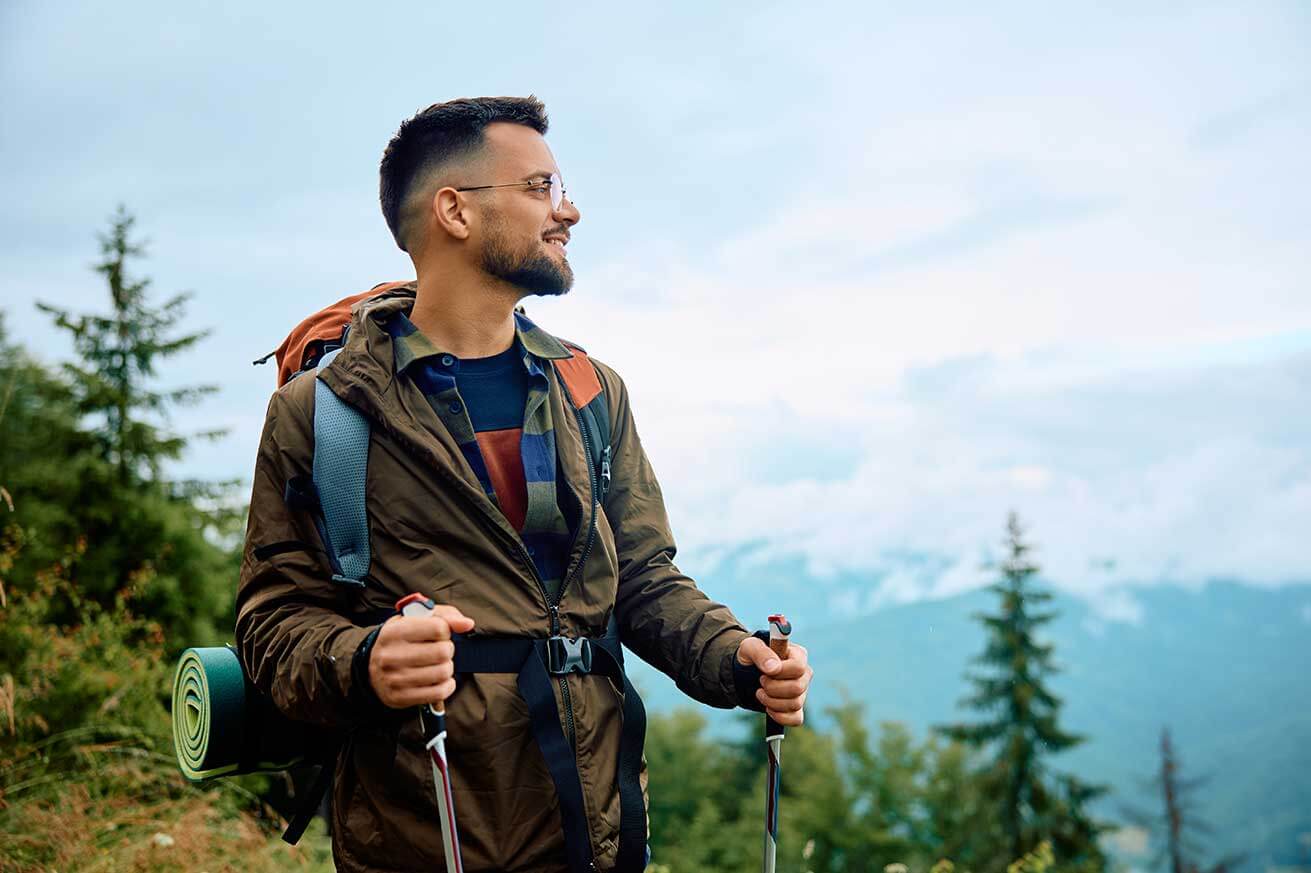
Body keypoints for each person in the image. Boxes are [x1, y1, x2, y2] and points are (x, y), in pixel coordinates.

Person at [235, 95, 813, 873]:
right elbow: (273, 626)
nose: (566, 210)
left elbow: (638, 579)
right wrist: (366, 659)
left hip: (599, 832)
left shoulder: (589, 389)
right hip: (423, 838)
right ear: (454, 211)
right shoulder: (325, 412)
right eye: (539, 187)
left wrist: (734, 655)